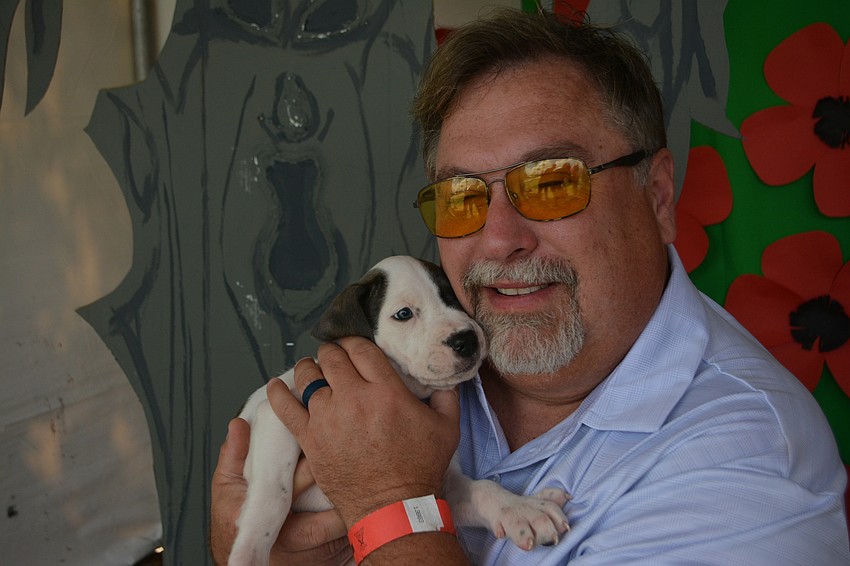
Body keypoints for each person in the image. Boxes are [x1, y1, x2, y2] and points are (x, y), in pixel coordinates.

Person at [211, 8, 849, 565]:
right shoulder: (422, 362)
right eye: (462, 196)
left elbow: (389, 510)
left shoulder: (746, 464)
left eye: (551, 183)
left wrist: (388, 504)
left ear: (656, 196)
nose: (499, 238)